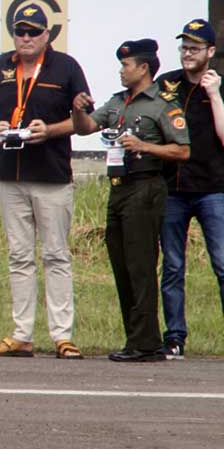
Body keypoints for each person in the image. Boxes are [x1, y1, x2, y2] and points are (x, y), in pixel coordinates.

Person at [0, 3, 90, 359]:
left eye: (33, 32)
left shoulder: (66, 67)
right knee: (19, 256)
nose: (25, 38)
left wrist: (49, 130)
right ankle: (22, 334)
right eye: (19, 32)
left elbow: (85, 122)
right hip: (11, 172)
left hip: (51, 174)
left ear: (47, 35)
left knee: (55, 255)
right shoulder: (0, 66)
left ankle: (62, 336)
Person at [71, 39, 190, 362]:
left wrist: (145, 145)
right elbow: (85, 128)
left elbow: (182, 150)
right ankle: (134, 339)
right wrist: (77, 108)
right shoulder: (118, 102)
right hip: (119, 187)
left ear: (144, 68)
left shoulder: (163, 104)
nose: (121, 71)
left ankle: (147, 343)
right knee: (121, 263)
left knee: (140, 266)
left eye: (126, 65)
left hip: (146, 186)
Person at [155, 19, 223, 359]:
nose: (187, 54)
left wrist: (214, 94)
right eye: (184, 47)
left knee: (222, 263)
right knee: (172, 265)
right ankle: (175, 336)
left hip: (213, 186)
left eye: (195, 48)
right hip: (173, 187)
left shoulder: (220, 85)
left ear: (210, 52)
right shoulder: (166, 83)